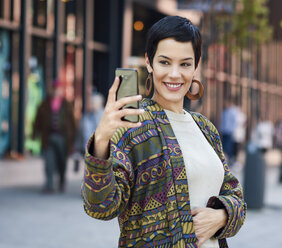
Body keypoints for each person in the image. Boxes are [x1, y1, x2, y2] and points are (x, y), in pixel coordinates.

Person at [82, 16, 246, 248]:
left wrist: (222, 216)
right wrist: (101, 139)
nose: (174, 74)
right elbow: (100, 207)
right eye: (165, 62)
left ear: (196, 66)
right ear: (149, 62)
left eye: (185, 64)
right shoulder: (134, 126)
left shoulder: (206, 128)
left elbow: (236, 196)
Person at [33, 80, 76, 193]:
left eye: (58, 89)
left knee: (62, 161)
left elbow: (73, 123)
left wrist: (73, 139)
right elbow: (37, 120)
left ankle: (62, 181)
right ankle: (50, 184)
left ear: (61, 90)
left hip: (63, 138)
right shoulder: (44, 104)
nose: (56, 91)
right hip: (48, 137)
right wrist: (35, 134)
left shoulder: (67, 104)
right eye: (54, 89)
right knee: (49, 161)